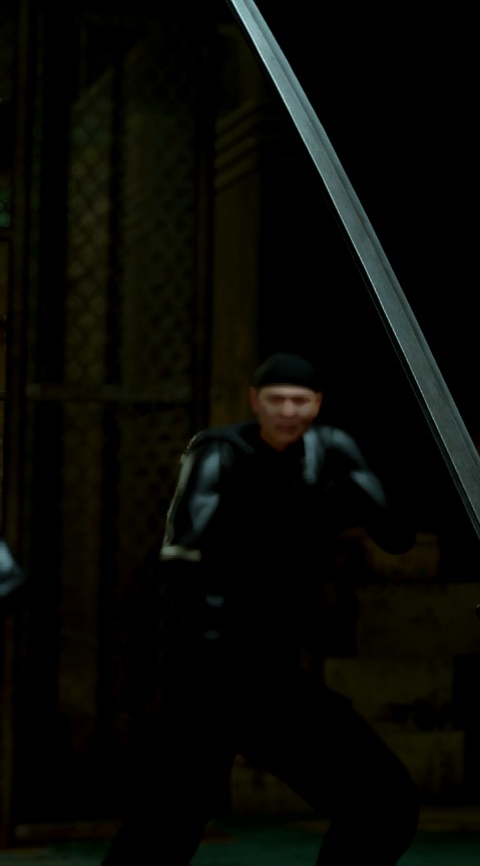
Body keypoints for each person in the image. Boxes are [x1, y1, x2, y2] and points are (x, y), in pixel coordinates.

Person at [107, 354, 420, 865]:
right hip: (210, 672)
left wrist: (357, 476)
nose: (287, 411)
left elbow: (397, 535)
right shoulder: (219, 451)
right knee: (166, 820)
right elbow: (181, 554)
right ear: (255, 401)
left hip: (274, 673)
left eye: (299, 400)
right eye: (276, 399)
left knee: (384, 803)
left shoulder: (329, 450)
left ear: (317, 404)